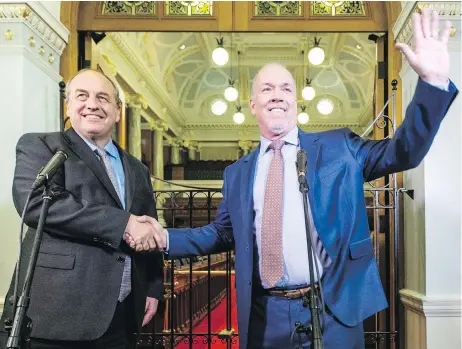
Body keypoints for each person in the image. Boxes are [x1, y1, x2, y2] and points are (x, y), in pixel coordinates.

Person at [126, 9, 458, 349]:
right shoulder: (237, 173)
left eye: (285, 87)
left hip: (333, 310)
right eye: (267, 88)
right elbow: (221, 234)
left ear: (295, 102)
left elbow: (404, 152)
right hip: (264, 315)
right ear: (253, 104)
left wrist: (431, 84)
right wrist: (163, 237)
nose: (277, 94)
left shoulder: (338, 147)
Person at [0, 69, 165, 349]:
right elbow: (36, 204)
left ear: (117, 111)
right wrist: (123, 223)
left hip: (122, 314)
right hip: (58, 314)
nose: (92, 104)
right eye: (82, 96)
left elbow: (149, 227)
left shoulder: (137, 168)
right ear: (68, 106)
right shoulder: (41, 146)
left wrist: (153, 288)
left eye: (103, 98)